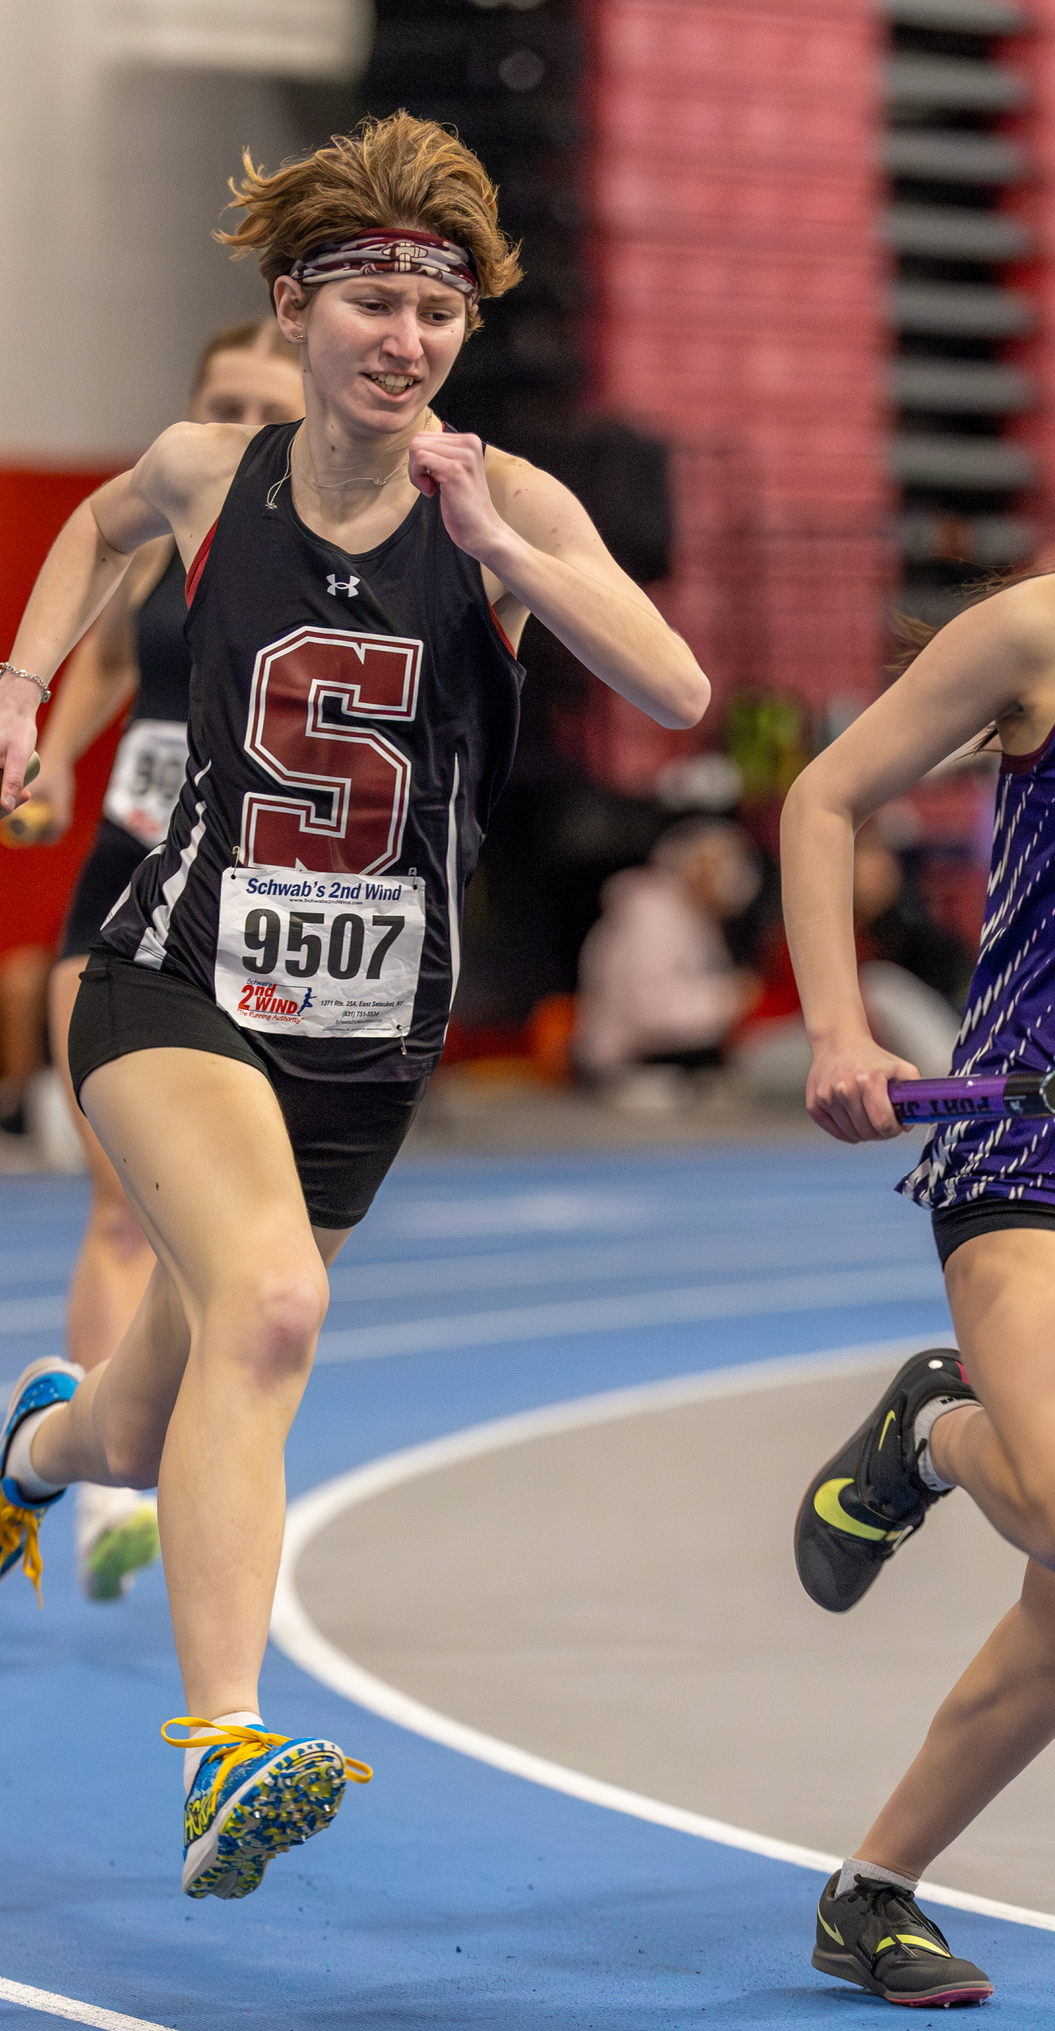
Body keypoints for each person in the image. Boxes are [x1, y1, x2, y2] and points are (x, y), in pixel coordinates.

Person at [0, 110, 709, 1902]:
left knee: (148, 1417)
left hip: (367, 1035)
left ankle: (35, 1458)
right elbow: (92, 527)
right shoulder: (219, 469)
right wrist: (18, 698)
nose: (408, 338)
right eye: (372, 300)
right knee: (272, 1308)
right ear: (297, 309)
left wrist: (509, 548)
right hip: (169, 972)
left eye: (439, 309)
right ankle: (224, 1748)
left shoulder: (509, 498)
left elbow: (674, 686)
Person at [0, 321, 304, 1602]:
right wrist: (55, 754)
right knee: (124, 1203)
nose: (233, 418)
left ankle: (197, 1473)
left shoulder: (329, 552)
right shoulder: (173, 523)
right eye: (216, 398)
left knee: (248, 1251)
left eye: (258, 404)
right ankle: (111, 1503)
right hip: (128, 883)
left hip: (259, 908)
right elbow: (106, 657)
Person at [780, 570, 1055, 2007]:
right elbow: (822, 799)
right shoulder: (1034, 634)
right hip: (1028, 1134)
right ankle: (932, 1429)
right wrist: (838, 1025)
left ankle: (870, 1890)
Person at [574, 815, 761, 1102]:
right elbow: (652, 1012)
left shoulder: (695, 916)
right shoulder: (652, 917)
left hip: (676, 1065)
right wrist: (731, 998)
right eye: (716, 862)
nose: (731, 873)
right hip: (632, 1070)